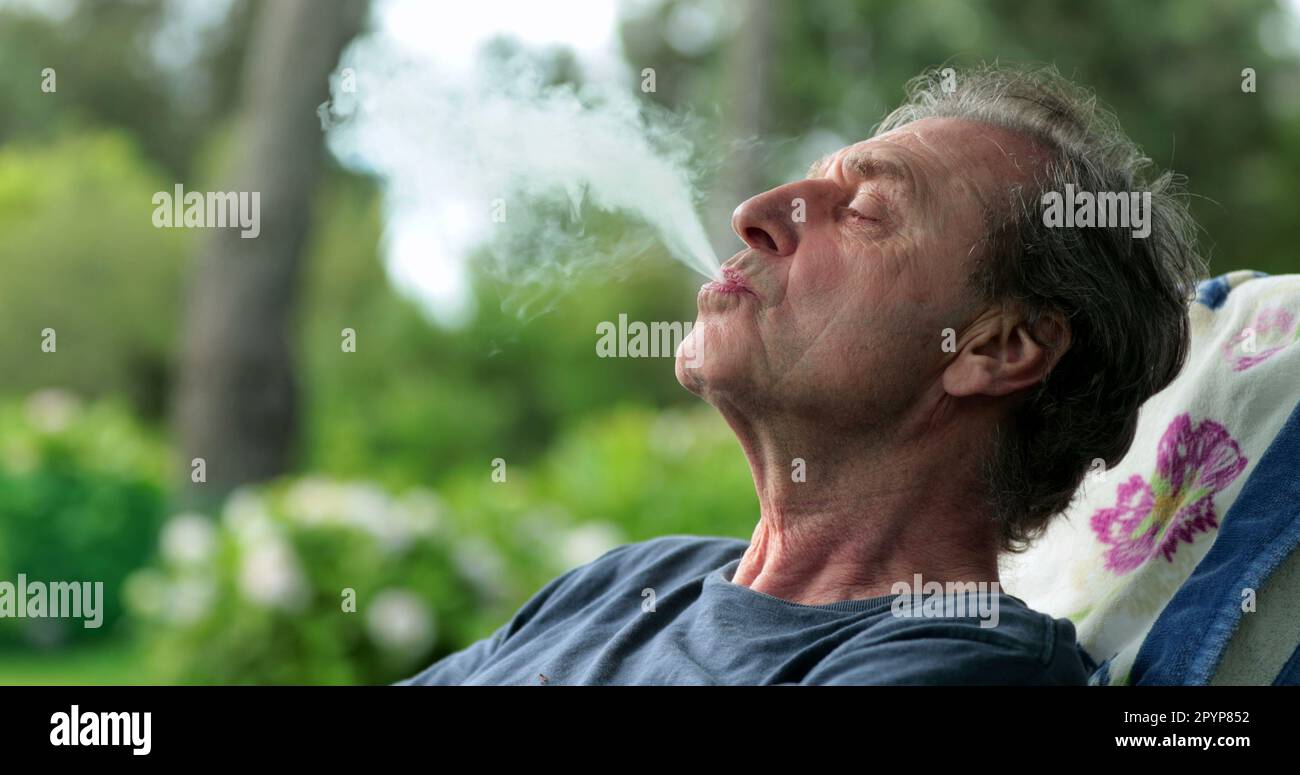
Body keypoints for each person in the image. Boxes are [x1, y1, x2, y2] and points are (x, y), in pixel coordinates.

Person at [400, 64, 1205, 685]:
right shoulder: (634, 579)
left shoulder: (956, 662)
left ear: (998, 349)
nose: (755, 211)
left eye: (862, 212)